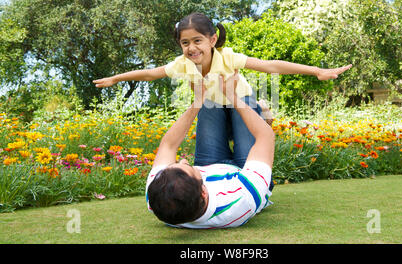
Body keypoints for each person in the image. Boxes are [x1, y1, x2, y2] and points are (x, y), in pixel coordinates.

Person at [93, 12, 352, 168]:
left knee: (244, 159)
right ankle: (262, 109)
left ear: (212, 40)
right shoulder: (182, 64)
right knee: (208, 163)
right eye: (185, 42)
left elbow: (270, 66)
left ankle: (260, 109)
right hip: (212, 107)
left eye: (197, 40)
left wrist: (316, 70)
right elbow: (151, 73)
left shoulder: (227, 57)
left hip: (241, 103)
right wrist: (117, 78)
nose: (191, 47)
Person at [146, 73, 275, 228]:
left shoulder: (158, 196)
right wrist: (232, 96)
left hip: (210, 164)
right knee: (243, 100)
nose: (184, 160)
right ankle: (259, 114)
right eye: (188, 167)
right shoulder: (242, 199)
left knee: (210, 101)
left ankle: (253, 113)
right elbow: (265, 137)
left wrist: (198, 100)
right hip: (244, 173)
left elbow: (168, 145)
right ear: (203, 193)